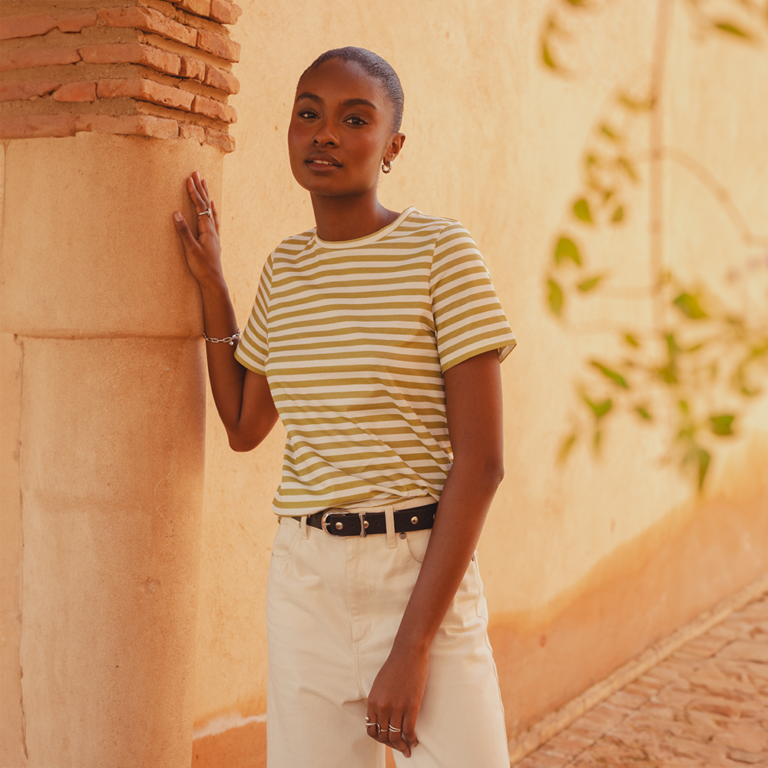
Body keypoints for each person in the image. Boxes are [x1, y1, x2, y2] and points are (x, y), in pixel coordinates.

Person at [172, 46, 516, 768]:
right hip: (307, 585)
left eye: (353, 119)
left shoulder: (440, 252)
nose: (324, 133)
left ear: (392, 146)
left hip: (421, 577)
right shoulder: (286, 270)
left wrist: (412, 646)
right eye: (308, 114)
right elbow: (242, 425)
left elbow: (481, 464)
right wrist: (215, 285)